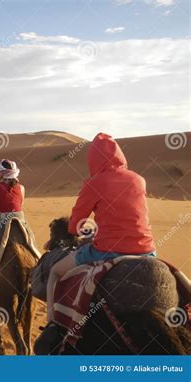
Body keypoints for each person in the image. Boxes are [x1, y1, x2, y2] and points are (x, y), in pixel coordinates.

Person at [45, 133, 156, 323]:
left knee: (55, 271)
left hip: (106, 252)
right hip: (147, 250)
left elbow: (74, 226)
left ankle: (50, 324)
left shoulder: (94, 183)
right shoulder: (139, 179)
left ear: (92, 160)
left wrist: (80, 231)